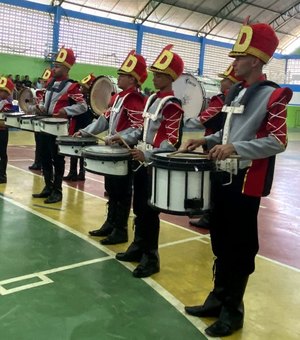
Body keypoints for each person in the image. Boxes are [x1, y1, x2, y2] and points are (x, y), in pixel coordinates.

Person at [183, 22, 293, 337]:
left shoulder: (273, 96)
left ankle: (234, 310)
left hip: (246, 182)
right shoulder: (237, 91)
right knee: (219, 240)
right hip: (222, 178)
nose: (234, 62)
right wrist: (205, 141)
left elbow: (278, 140)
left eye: (240, 57)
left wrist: (236, 147)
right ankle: (217, 299)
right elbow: (227, 133)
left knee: (240, 247)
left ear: (256, 61)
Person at [115, 45, 184, 278]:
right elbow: (142, 131)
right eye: (154, 74)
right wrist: (122, 137)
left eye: (159, 74)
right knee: (140, 207)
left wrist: (149, 155)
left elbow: (172, 141)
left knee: (150, 210)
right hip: (141, 162)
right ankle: (138, 246)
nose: (154, 77)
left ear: (170, 77)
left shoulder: (173, 104)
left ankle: (151, 257)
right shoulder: (152, 99)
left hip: (154, 165)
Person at [75, 50, 147, 245]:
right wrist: (84, 131)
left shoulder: (134, 99)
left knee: (122, 190)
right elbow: (103, 120)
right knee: (111, 188)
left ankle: (120, 229)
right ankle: (110, 222)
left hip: (124, 152)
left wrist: (119, 137)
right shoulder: (118, 98)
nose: (119, 76)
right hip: (112, 150)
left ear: (132, 79)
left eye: (123, 74)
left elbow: (138, 127)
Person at [188, 64, 242, 229]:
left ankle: (209, 215)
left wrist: (186, 120)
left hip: (219, 145)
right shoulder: (226, 98)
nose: (221, 82)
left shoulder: (222, 100)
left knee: (215, 182)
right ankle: (209, 212)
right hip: (214, 140)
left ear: (232, 82)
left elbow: (204, 118)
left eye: (225, 79)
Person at [32, 47, 87, 203]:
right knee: (44, 157)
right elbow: (44, 100)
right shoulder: (50, 83)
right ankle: (48, 187)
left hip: (58, 128)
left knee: (58, 159)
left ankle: (57, 191)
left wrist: (66, 110)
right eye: (54, 65)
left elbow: (82, 106)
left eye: (57, 66)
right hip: (44, 124)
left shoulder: (72, 86)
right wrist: (41, 107)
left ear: (66, 68)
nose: (53, 68)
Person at [63, 73, 95, 181]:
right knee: (74, 149)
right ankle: (72, 172)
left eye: (84, 87)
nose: (81, 89)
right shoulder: (79, 98)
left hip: (85, 126)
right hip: (76, 124)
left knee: (83, 151)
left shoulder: (92, 100)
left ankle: (82, 172)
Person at [29, 68, 53, 171]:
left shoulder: (48, 92)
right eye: (43, 81)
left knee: (44, 145)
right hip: (38, 120)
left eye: (45, 81)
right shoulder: (39, 92)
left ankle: (41, 163)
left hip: (45, 121)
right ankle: (38, 162)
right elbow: (32, 106)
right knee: (38, 143)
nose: (43, 83)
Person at [0, 76, 14, 184]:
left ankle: (2, 175)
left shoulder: (7, 104)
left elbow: (6, 120)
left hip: (2, 131)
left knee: (2, 153)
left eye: (2, 91)